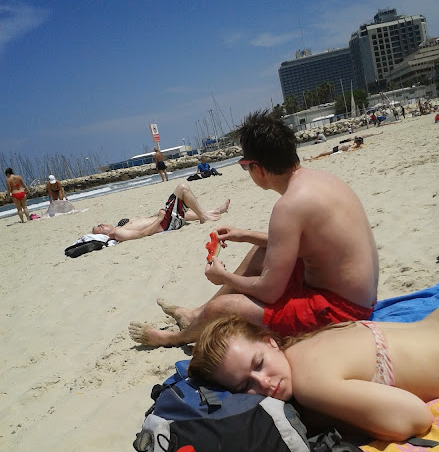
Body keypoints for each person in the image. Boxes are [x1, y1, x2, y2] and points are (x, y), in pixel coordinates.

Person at [129, 110, 378, 348]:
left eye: (245, 166)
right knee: (260, 252)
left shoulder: (288, 206)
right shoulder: (320, 180)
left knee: (222, 308)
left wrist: (223, 277)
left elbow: (269, 292)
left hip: (340, 314)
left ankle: (175, 338)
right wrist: (244, 235)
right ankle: (195, 315)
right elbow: (307, 242)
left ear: (257, 168)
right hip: (358, 297)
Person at [188, 288, 439, 442]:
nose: (263, 382)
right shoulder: (305, 343)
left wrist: (334, 418)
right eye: (245, 386)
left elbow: (415, 419)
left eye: (259, 364)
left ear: (269, 342)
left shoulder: (309, 384)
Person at [92, 183, 230, 242]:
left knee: (183, 213)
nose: (102, 224)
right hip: (165, 224)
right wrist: (159, 218)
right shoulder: (118, 233)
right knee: (182, 188)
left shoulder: (120, 227)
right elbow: (142, 234)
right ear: (104, 234)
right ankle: (203, 217)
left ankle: (215, 211)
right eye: (100, 227)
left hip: (166, 220)